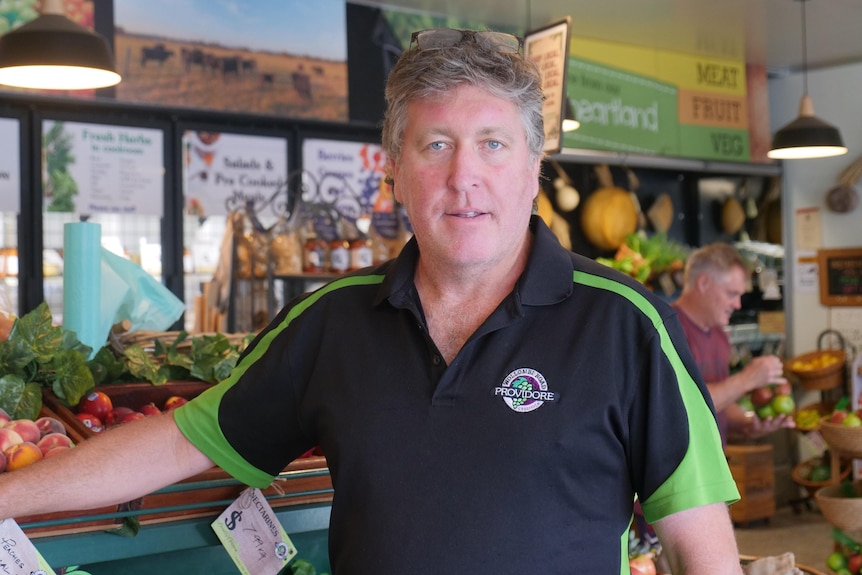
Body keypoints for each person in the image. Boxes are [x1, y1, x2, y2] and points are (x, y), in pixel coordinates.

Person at [0, 29, 743, 574]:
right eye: (435, 146)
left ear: (533, 168)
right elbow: (179, 441)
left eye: (492, 144)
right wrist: (7, 495)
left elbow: (696, 544)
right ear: (393, 171)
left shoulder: (625, 324)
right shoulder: (333, 323)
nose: (464, 178)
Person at [672, 242, 795, 444]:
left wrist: (747, 424)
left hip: (714, 461)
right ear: (704, 283)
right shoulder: (667, 331)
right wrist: (747, 379)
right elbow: (682, 405)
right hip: (680, 468)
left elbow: (721, 399)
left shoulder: (720, 335)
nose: (737, 305)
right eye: (732, 294)